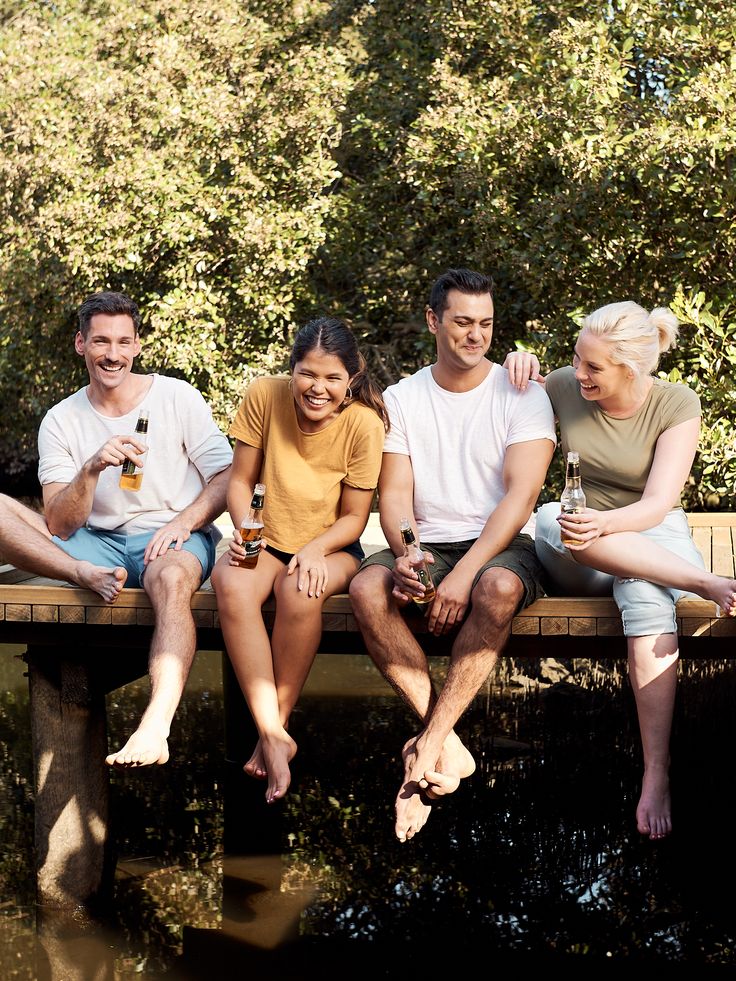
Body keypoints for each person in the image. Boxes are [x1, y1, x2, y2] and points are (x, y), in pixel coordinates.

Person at [505, 300, 736, 841]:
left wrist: (607, 526)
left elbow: (657, 504)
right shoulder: (563, 385)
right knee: (549, 518)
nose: (578, 372)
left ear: (630, 370)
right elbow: (503, 393)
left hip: (646, 531)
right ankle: (701, 580)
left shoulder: (676, 402)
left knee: (646, 597)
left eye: (593, 367)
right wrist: (516, 361)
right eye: (577, 360)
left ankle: (656, 772)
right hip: (578, 548)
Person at [348, 268, 557, 843]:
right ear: (433, 321)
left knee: (498, 588)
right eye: (462, 322)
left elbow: (521, 498)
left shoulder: (522, 392)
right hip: (429, 543)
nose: (475, 335)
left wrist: (464, 575)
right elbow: (393, 494)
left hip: (501, 545)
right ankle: (448, 742)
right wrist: (409, 554)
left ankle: (426, 751)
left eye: (486, 324)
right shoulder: (403, 398)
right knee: (367, 588)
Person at [37, 290, 233, 768]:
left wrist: (184, 522)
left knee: (170, 580)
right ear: (81, 344)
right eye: (101, 341)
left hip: (170, 538)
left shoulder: (176, 396)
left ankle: (155, 726)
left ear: (138, 345)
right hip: (94, 543)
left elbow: (228, 477)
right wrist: (90, 469)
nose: (113, 354)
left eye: (124, 342)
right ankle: (83, 574)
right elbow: (58, 522)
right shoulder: (61, 419)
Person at [211, 317, 388, 804]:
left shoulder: (364, 425)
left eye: (332, 378)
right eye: (308, 375)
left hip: (331, 547)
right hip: (264, 538)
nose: (318, 388)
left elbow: (355, 517)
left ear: (351, 378)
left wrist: (315, 549)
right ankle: (273, 735)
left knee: (300, 588)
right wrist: (246, 530)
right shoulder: (264, 396)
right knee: (230, 584)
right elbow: (241, 481)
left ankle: (275, 729)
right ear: (292, 370)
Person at [0, 494, 126, 602]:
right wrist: (91, 470)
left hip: (144, 548)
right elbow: (58, 528)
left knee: (147, 568)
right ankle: (79, 571)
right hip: (92, 548)